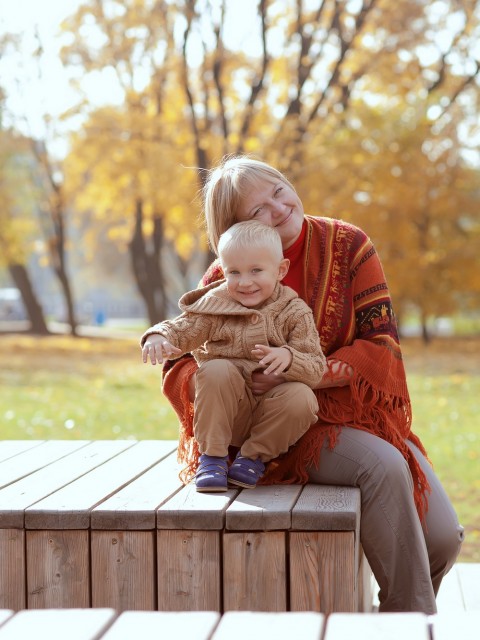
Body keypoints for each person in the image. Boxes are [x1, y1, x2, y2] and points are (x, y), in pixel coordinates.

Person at [142, 155, 464, 614]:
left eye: (277, 190)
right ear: (234, 231)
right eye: (256, 211)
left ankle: (388, 611)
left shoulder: (351, 245)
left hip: (349, 412)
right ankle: (409, 624)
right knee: (382, 467)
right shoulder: (230, 273)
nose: (277, 208)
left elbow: (381, 348)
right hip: (264, 432)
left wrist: (300, 371)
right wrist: (230, 381)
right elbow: (179, 356)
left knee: (443, 540)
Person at [141, 220, 326, 492]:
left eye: (256, 271)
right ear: (222, 271)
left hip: (271, 413)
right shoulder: (218, 305)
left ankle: (251, 459)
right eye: (234, 272)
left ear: (280, 270)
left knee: (303, 398)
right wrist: (160, 336)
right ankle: (212, 458)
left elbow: (316, 366)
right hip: (227, 411)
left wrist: (288, 357)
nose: (244, 282)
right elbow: (185, 328)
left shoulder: (294, 311)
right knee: (216, 370)